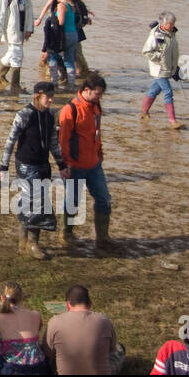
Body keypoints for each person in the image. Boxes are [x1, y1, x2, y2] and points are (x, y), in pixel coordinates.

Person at [0, 82, 64, 260]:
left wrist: (61, 164)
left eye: (52, 96)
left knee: (33, 202)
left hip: (43, 165)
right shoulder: (24, 115)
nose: (51, 100)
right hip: (26, 165)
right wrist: (3, 166)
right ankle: (33, 244)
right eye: (47, 97)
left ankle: (24, 240)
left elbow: (53, 142)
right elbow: (10, 141)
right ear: (37, 95)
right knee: (37, 203)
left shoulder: (51, 115)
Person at [58, 73, 113, 251]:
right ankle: (66, 233)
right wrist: (65, 164)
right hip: (75, 166)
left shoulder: (96, 107)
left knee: (104, 199)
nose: (100, 97)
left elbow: (97, 132)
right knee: (72, 202)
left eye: (101, 94)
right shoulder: (70, 110)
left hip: (94, 164)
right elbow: (63, 140)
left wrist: (100, 152)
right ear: (86, 90)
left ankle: (103, 238)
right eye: (98, 93)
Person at [43, 284, 123, 375]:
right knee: (120, 348)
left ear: (67, 305)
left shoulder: (54, 322)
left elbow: (47, 352)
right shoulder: (104, 321)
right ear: (90, 303)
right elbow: (111, 348)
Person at [0, 282, 48, 375]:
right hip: (39, 367)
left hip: (14, 368)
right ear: (20, 298)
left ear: (2, 298)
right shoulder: (36, 315)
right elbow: (38, 329)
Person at [0, 0, 34, 91]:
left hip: (22, 28)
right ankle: (15, 85)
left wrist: (29, 28)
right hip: (11, 29)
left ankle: (0, 76)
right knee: (17, 55)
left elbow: (30, 10)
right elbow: (0, 14)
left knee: (12, 52)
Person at [140, 12, 183, 129]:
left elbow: (173, 50)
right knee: (168, 91)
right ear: (163, 23)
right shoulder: (155, 35)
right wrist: (159, 56)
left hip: (169, 68)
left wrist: (175, 66)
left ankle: (144, 112)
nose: (173, 25)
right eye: (170, 23)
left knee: (154, 90)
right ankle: (173, 121)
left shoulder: (172, 33)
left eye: (174, 23)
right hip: (159, 69)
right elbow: (146, 51)